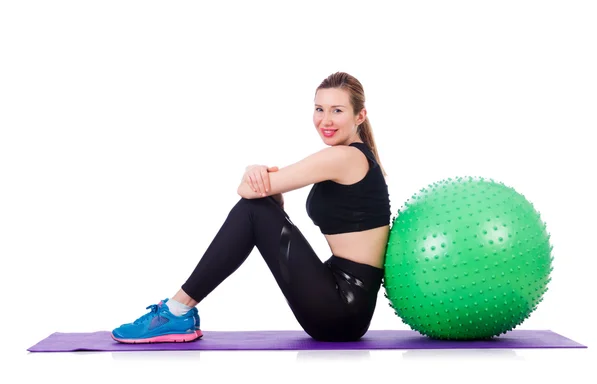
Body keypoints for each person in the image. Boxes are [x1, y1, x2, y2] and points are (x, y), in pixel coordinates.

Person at [111, 71, 391, 343]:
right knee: (260, 207)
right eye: (319, 109)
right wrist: (265, 186)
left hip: (342, 309)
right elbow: (267, 197)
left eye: (337, 110)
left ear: (360, 116)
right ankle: (178, 311)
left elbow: (248, 191)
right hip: (345, 303)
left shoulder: (343, 157)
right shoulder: (351, 158)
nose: (325, 120)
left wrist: (252, 171)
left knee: (252, 209)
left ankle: (176, 310)